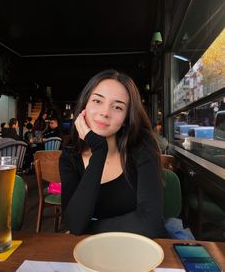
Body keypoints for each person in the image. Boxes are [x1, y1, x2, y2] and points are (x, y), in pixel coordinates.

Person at [59, 69, 166, 238]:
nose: (105, 112)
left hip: (139, 248)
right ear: (84, 105)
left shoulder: (142, 144)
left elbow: (151, 224)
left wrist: (88, 229)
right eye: (97, 101)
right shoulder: (70, 157)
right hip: (93, 252)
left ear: (126, 118)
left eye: (117, 107)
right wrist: (99, 151)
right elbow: (74, 221)